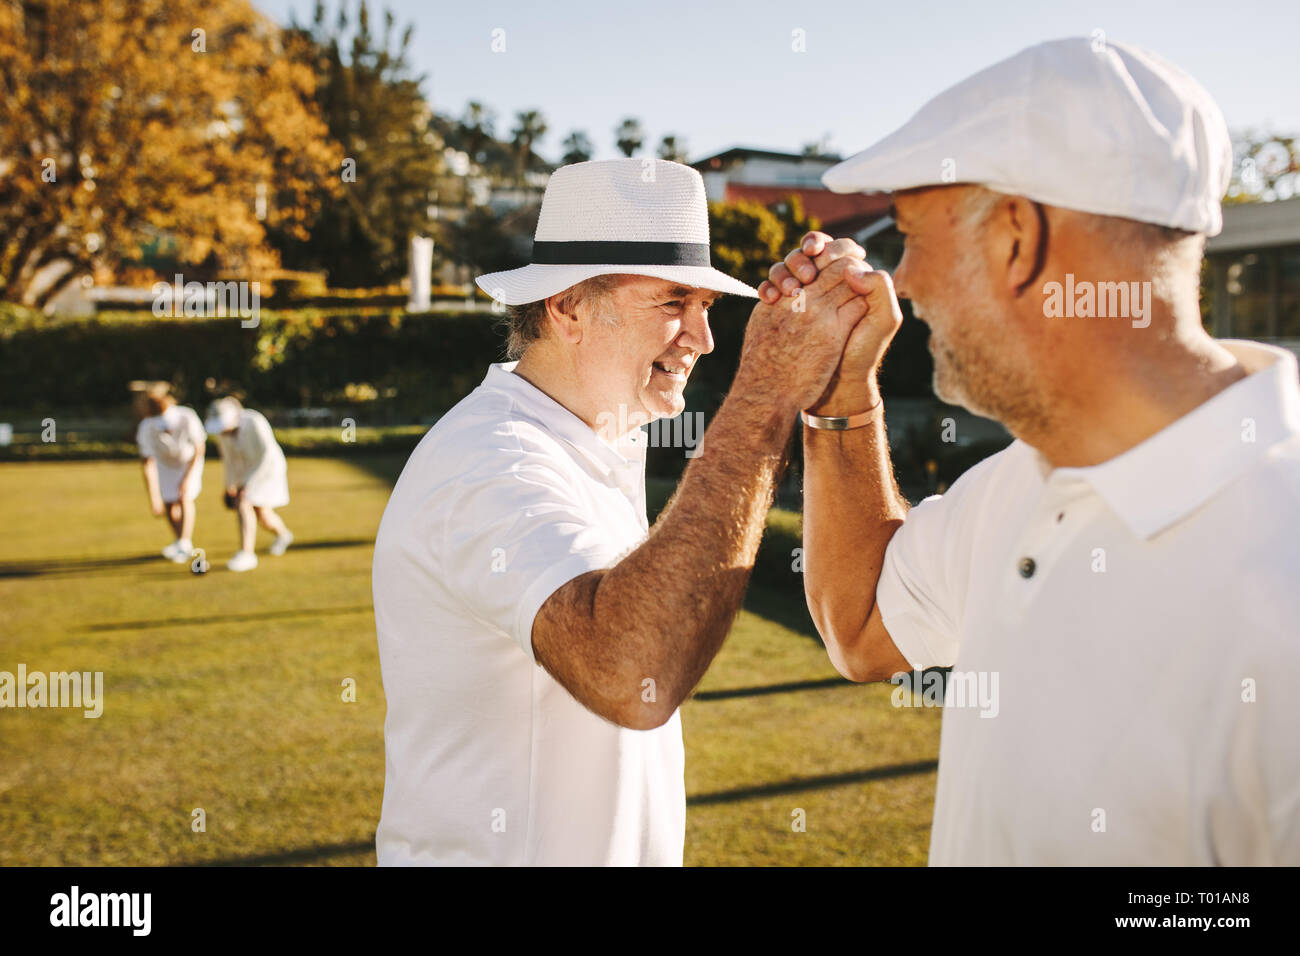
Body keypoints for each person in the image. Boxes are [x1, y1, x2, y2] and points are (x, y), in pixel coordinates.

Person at [771, 37, 1300, 864]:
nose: (899, 280)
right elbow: (864, 628)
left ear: (1017, 237)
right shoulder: (1014, 486)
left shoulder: (1281, 574)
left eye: (910, 235)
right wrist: (842, 388)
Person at [372, 158, 872, 865]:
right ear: (568, 307)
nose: (704, 340)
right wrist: (767, 393)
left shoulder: (593, 436)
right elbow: (632, 672)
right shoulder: (492, 464)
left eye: (706, 308)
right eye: (672, 303)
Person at [204, 396, 293, 573]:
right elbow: (228, 460)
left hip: (269, 470)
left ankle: (247, 554)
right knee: (262, 513)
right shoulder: (223, 434)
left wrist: (245, 484)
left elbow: (266, 455)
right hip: (247, 472)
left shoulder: (255, 421)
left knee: (244, 503)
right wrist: (229, 485)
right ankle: (284, 535)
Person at [133, 382, 205, 563]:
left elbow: (199, 447)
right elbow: (148, 464)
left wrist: (187, 479)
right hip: (165, 465)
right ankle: (180, 541)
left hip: (189, 462)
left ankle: (184, 542)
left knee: (184, 496)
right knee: (169, 505)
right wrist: (154, 497)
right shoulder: (147, 427)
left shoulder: (187, 416)